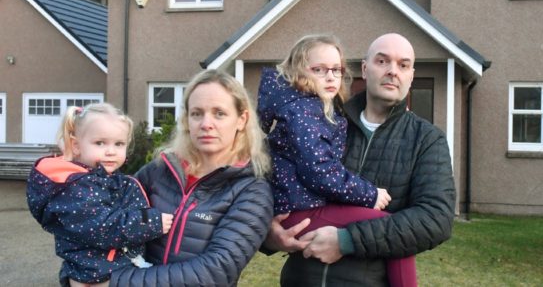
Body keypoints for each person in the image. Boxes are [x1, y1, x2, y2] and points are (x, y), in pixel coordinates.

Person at [266, 33, 456, 286]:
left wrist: (347, 241)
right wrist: (268, 234)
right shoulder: (320, 122)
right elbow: (273, 174)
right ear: (365, 70)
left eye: (403, 65)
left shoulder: (427, 140)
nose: (392, 71)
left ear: (411, 76)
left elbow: (435, 219)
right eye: (382, 61)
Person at [109, 69, 274, 286]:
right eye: (197, 113)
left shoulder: (252, 190)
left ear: (241, 120)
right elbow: (103, 218)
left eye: (219, 113)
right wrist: (81, 270)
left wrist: (114, 282)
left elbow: (214, 271)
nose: (206, 124)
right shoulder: (159, 170)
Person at [27, 103, 174, 287]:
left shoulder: (104, 180)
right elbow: (103, 227)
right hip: (95, 277)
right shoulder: (76, 187)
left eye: (119, 144)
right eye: (100, 143)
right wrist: (151, 222)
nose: (111, 151)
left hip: (109, 270)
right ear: (76, 145)